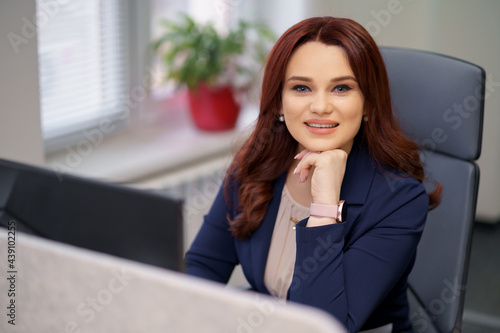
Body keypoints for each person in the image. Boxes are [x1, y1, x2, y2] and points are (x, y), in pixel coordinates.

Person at [185, 16, 441, 333]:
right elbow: (203, 265)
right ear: (279, 101)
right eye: (302, 87)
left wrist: (324, 205)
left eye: (341, 88)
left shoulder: (399, 200)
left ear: (367, 104)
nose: (320, 106)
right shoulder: (254, 165)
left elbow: (326, 325)